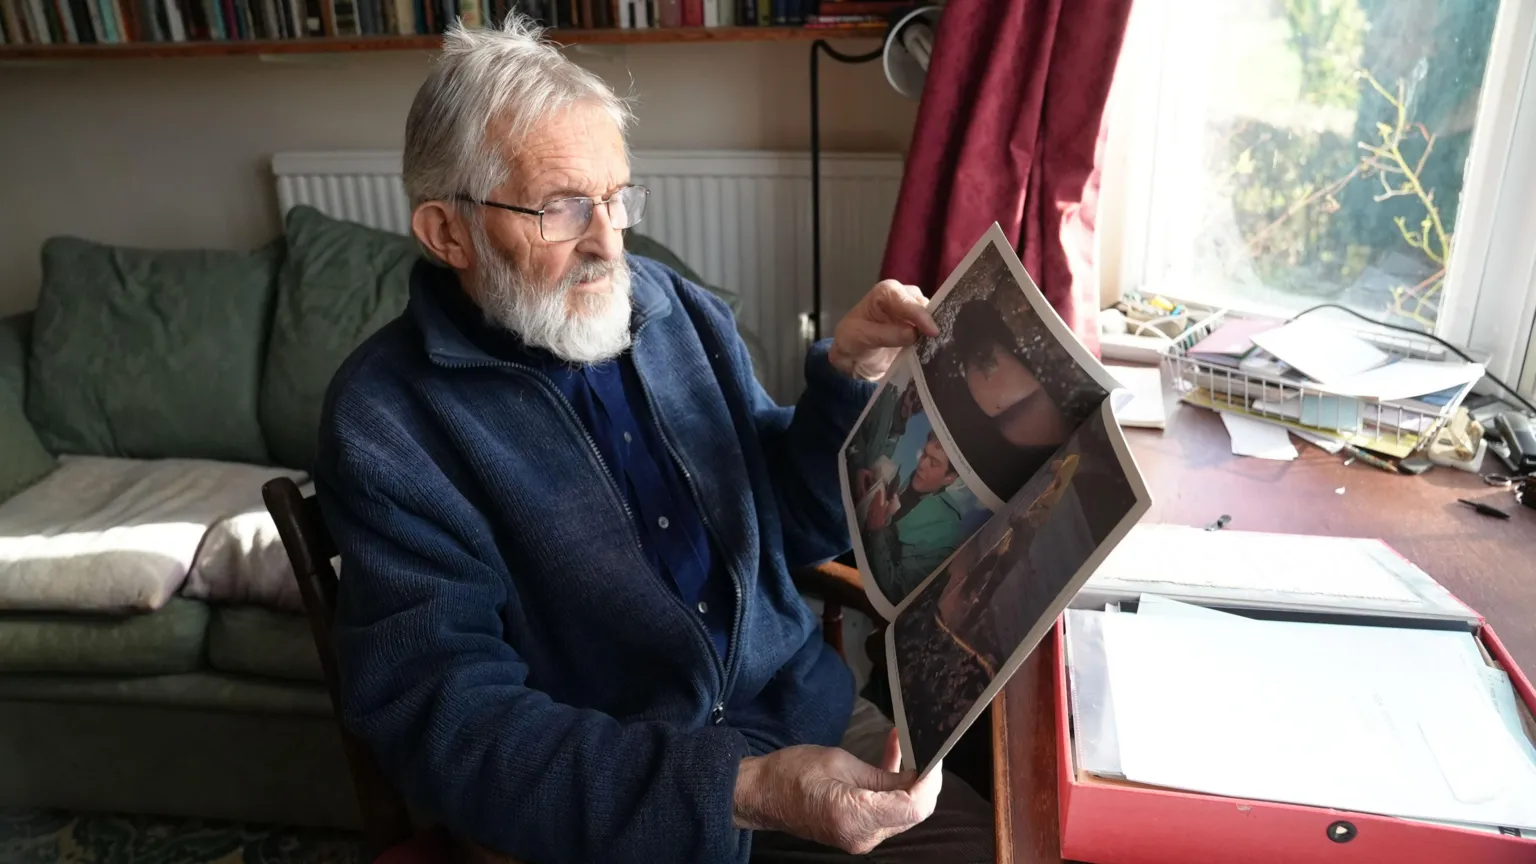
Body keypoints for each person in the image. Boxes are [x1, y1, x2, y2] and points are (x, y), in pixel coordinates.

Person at [313, 15, 994, 864]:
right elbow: (449, 721)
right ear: (447, 232)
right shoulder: (387, 424)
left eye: (616, 197)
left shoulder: (670, 309)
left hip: (799, 719)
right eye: (560, 209)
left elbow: (794, 523)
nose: (608, 242)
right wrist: (741, 789)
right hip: (615, 809)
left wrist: (847, 380)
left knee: (989, 845)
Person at [856, 431, 967, 603]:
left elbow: (896, 590)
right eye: (924, 454)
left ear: (949, 478)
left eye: (934, 463)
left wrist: (876, 532)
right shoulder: (915, 481)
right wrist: (871, 490)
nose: (921, 464)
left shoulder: (945, 530)